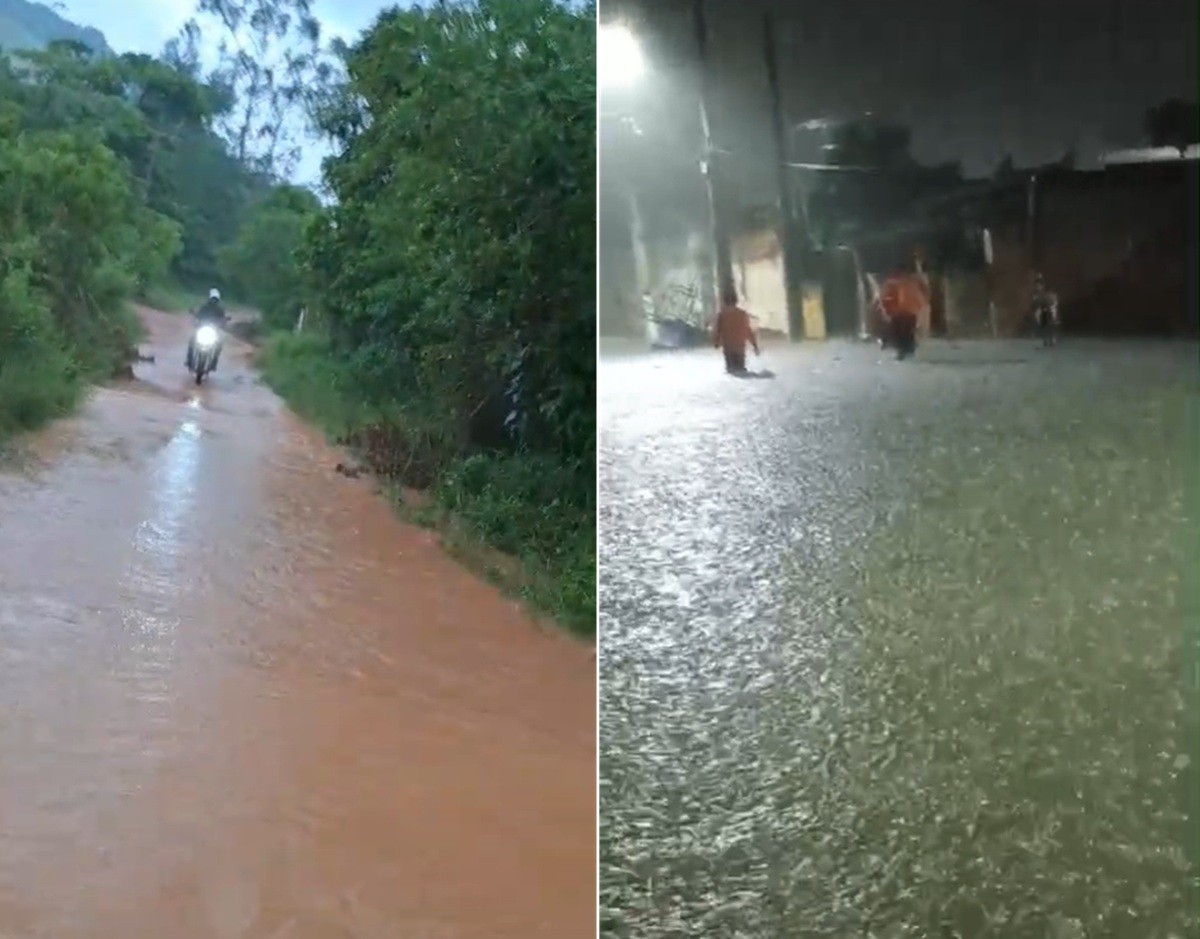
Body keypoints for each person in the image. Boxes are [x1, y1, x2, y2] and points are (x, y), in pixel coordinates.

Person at [712, 288, 759, 374]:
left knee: (732, 372)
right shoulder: (742, 314)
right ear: (736, 301)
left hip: (729, 349)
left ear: (724, 301)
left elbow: (718, 331)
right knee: (741, 370)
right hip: (740, 348)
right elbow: (748, 331)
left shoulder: (722, 315)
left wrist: (716, 342)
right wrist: (755, 346)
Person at [187, 288, 229, 371]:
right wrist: (195, 317)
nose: (214, 301)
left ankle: (213, 363)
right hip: (202, 329)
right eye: (213, 299)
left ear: (217, 300)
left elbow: (223, 320)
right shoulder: (204, 307)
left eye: (215, 299)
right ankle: (189, 361)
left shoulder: (220, 310)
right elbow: (198, 315)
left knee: (218, 345)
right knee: (192, 341)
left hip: (213, 331)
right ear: (210, 298)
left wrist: (223, 323)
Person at [1031, 273, 1060, 347]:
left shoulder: (1047, 291)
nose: (1038, 287)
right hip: (1042, 308)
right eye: (1037, 285)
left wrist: (1052, 305)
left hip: (1049, 307)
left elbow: (1053, 300)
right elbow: (1035, 302)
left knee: (1052, 321)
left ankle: (1052, 338)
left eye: (1040, 285)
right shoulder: (1036, 293)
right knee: (1041, 321)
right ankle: (1045, 339)